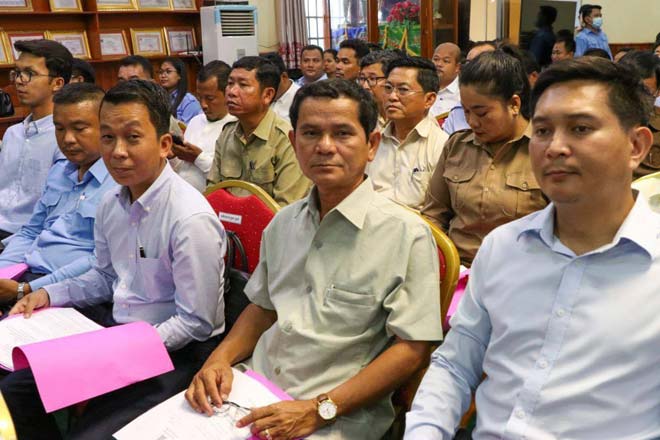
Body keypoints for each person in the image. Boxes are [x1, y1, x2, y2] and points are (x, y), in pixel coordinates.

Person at [405, 57, 660, 440]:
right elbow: (455, 365)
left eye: (580, 128)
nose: (555, 147)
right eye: (542, 130)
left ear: (635, 145)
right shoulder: (504, 248)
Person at [186, 78, 442, 440]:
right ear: (294, 143)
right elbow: (262, 307)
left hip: (335, 413)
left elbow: (413, 349)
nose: (324, 146)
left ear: (371, 145)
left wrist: (319, 409)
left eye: (342, 133)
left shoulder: (406, 235)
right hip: (253, 390)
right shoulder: (282, 223)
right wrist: (218, 360)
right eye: (310, 133)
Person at [0, 79, 226, 440]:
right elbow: (105, 276)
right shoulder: (112, 202)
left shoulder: (189, 218)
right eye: (108, 137)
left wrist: (123, 347)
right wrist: (48, 293)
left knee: (93, 434)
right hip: (118, 330)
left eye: (132, 138)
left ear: (164, 145)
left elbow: (196, 322)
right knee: (17, 389)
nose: (117, 151)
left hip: (176, 351)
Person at [422, 51, 547, 266]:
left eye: (481, 113)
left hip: (522, 270)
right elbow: (433, 215)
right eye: (466, 112)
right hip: (458, 269)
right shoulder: (457, 146)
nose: (472, 122)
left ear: (514, 104)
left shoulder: (544, 151)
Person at [0, 83, 116, 312]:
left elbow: (99, 262)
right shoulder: (59, 171)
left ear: (106, 128)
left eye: (79, 128)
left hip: (71, 290)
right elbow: (30, 232)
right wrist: (3, 274)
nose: (68, 139)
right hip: (25, 274)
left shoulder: (119, 183)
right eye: (59, 129)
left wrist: (28, 289)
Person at [208, 56, 310, 206]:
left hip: (270, 220)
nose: (231, 92)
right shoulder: (227, 134)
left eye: (243, 85)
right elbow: (212, 192)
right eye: (230, 84)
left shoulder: (286, 139)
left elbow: (286, 208)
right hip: (225, 219)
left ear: (267, 95)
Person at [0, 39, 72, 241]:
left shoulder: (65, 140)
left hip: (26, 237)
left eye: (29, 73)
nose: (19, 80)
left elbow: (56, 214)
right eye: (17, 72)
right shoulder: (12, 133)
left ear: (57, 83)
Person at [368, 56, 448, 210]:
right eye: (388, 88)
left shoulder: (441, 146)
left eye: (403, 90)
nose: (392, 97)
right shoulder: (372, 140)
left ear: (429, 100)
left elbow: (439, 211)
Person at [170, 60, 236, 192]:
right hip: (182, 192)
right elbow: (182, 168)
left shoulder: (236, 127)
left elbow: (229, 178)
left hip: (213, 199)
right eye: (200, 98)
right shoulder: (195, 121)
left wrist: (197, 158)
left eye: (210, 98)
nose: (203, 105)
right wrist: (174, 155)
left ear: (227, 94)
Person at [116, 55, 185, 140]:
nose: (126, 86)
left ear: (151, 84)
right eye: (121, 81)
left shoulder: (163, 119)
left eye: (134, 81)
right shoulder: (112, 115)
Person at [619, 50, 660, 179]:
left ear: (658, 91)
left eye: (646, 92)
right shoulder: (598, 122)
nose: (636, 97)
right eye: (628, 90)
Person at [443, 41, 497, 136]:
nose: (472, 123)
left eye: (482, 113)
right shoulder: (457, 112)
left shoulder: (506, 103)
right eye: (468, 63)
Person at [358, 49, 402, 132]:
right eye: (362, 78)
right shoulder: (360, 114)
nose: (365, 86)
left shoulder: (405, 116)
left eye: (372, 78)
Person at [158, 57, 202, 125]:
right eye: (161, 72)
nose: (163, 76)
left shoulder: (188, 101)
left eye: (168, 72)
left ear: (179, 75)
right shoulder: (159, 98)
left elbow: (187, 129)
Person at [263, 52, 300, 124]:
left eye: (270, 82)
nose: (266, 88)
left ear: (284, 77)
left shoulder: (302, 99)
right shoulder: (261, 96)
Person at [430, 43, 461, 119]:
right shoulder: (422, 87)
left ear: (457, 67)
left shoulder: (463, 92)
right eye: (436, 59)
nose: (439, 64)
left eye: (446, 61)